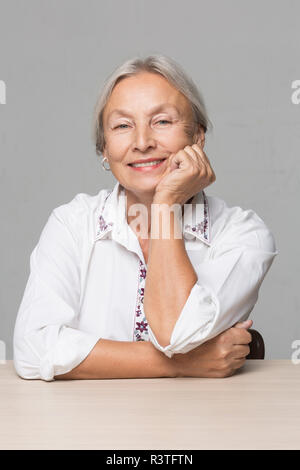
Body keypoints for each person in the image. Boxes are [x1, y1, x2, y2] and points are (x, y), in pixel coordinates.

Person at [13, 55, 278, 382]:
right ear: (105, 149)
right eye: (123, 126)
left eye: (162, 121)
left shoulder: (242, 233)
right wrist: (182, 364)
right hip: (87, 425)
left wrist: (166, 204)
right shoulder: (72, 223)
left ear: (197, 136)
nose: (142, 143)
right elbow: (32, 348)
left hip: (201, 423)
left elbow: (175, 334)